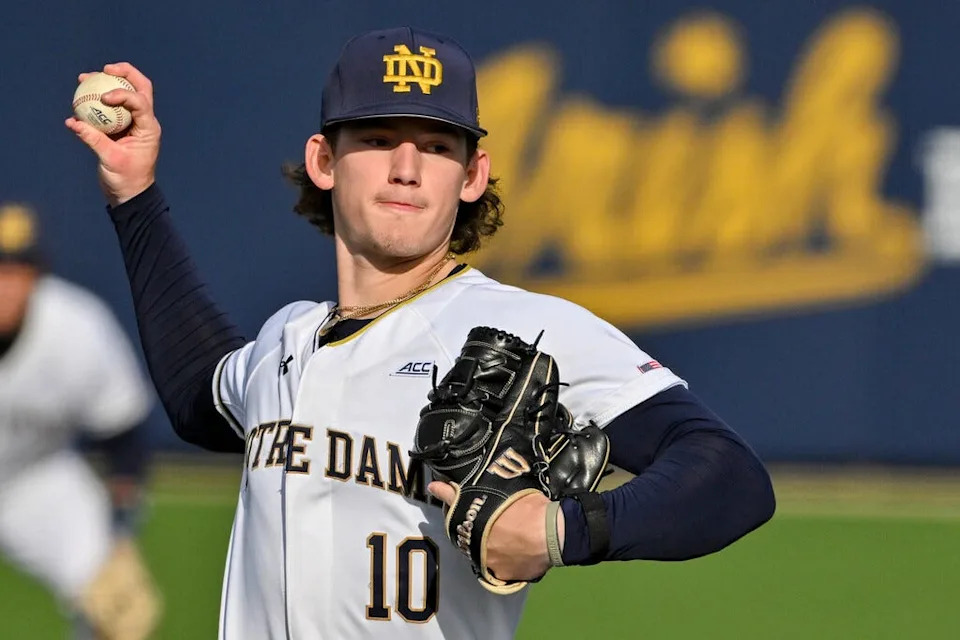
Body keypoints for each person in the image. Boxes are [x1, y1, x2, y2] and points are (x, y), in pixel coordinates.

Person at [66, 26, 776, 639]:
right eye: (377, 139)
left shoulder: (527, 329)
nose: (406, 168)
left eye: (437, 147)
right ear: (324, 161)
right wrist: (134, 196)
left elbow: (729, 476)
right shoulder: (288, 337)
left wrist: (561, 530)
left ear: (473, 175)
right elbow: (200, 394)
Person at [0, 202, 160, 639]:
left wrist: (119, 529)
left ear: (36, 277)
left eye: (16, 273)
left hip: (32, 480)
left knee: (116, 608)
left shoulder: (76, 328)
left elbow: (123, 432)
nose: (5, 287)